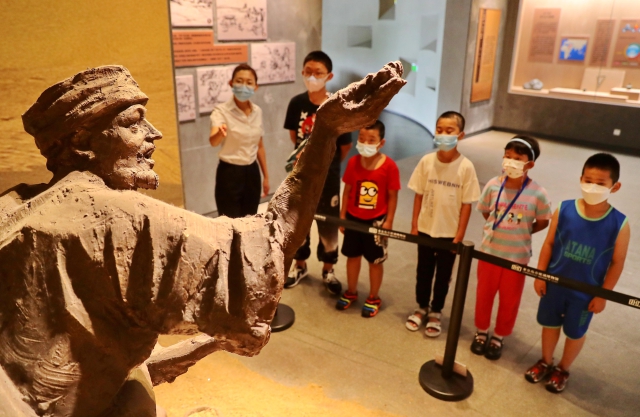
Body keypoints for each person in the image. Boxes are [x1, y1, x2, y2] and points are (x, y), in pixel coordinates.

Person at [0, 63, 406, 417]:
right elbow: (265, 245)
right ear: (82, 143)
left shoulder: (15, 203)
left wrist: (207, 343)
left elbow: (90, 355)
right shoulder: (114, 217)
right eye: (134, 122)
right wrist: (326, 132)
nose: (154, 133)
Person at [525, 153, 629, 393]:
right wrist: (541, 275)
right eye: (588, 180)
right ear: (581, 179)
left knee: (575, 332)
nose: (592, 187)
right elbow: (549, 244)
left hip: (585, 294)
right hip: (554, 285)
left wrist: (603, 295)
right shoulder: (564, 209)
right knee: (549, 324)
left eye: (600, 183)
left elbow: (617, 263)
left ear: (615, 187)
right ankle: (545, 361)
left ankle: (563, 369)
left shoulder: (619, 223)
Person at [470, 136, 551, 360]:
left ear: (529, 164)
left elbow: (543, 221)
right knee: (484, 295)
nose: (510, 162)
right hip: (490, 253)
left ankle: (499, 335)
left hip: (517, 257)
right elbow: (486, 212)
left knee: (509, 300)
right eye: (507, 156)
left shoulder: (538, 193)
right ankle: (481, 331)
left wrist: (523, 231)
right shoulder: (493, 185)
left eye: (517, 158)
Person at [283, 50, 353, 295]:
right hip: (301, 176)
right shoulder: (296, 104)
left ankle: (328, 269)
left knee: (328, 223)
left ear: (329, 76)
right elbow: (294, 137)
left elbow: (345, 146)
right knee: (298, 222)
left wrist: (327, 165)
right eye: (308, 72)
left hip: (328, 178)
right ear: (302, 73)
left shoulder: (338, 107)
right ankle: (300, 265)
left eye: (318, 72)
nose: (312, 77)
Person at [405, 111, 480, 337]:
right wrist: (414, 225)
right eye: (439, 130)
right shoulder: (426, 161)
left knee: (443, 275)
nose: (443, 134)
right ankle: (421, 307)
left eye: (449, 131)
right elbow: (418, 195)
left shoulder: (466, 167)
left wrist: (459, 235)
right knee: (423, 271)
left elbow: (467, 204)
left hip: (449, 233)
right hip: (425, 228)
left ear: (461, 135)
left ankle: (436, 311)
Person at [336, 121, 400, 317]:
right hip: (353, 219)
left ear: (381, 143)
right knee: (352, 257)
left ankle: (373, 297)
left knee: (375, 261)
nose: (365, 143)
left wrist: (389, 221)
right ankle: (351, 291)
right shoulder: (353, 162)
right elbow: (347, 191)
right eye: (362, 139)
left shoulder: (389, 166)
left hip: (376, 222)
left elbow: (392, 196)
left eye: (371, 140)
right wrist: (342, 215)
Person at [209, 63, 269, 218]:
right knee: (229, 222)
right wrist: (220, 133)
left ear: (256, 87)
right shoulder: (221, 111)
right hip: (229, 173)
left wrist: (266, 177)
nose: (244, 86)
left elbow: (260, 146)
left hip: (252, 172)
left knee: (250, 219)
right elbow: (213, 141)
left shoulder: (258, 111)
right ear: (231, 83)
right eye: (239, 81)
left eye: (249, 82)